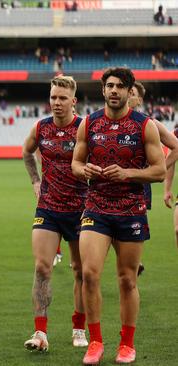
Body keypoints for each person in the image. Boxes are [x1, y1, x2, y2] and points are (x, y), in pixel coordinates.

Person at [71, 67, 165, 364]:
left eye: (120, 86)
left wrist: (128, 174)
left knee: (127, 280)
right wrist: (82, 169)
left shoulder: (144, 125)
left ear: (129, 91)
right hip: (96, 207)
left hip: (131, 209)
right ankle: (95, 341)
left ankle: (127, 344)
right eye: (109, 86)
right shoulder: (89, 122)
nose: (114, 90)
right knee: (88, 273)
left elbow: (160, 170)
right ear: (103, 90)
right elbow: (75, 161)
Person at [21, 76, 88, 352]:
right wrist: (36, 181)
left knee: (81, 271)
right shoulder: (41, 127)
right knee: (41, 267)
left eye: (62, 98)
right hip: (48, 207)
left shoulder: (86, 127)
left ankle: (79, 327)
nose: (56, 103)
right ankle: (40, 332)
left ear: (74, 101)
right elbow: (27, 152)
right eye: (53, 97)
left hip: (82, 209)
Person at [129, 81, 178, 276]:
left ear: (139, 99)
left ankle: (133, 262)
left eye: (132, 92)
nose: (127, 94)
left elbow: (176, 147)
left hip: (140, 184)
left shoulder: (149, 123)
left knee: (132, 226)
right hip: (110, 184)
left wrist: (156, 170)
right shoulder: (104, 121)